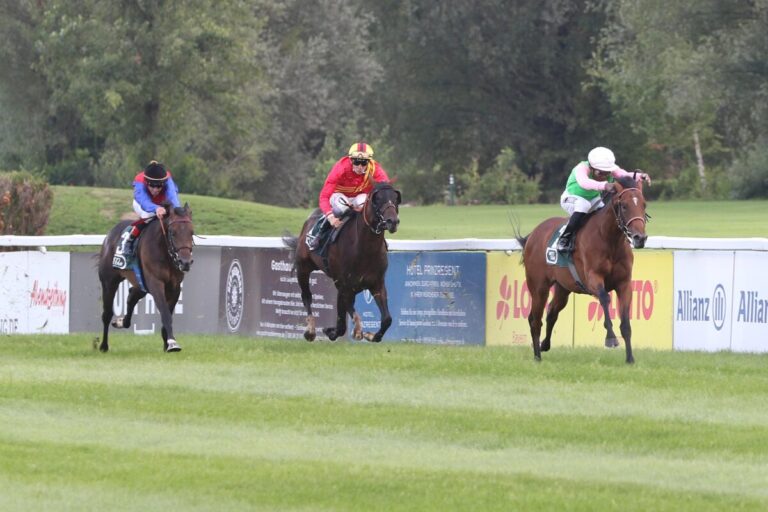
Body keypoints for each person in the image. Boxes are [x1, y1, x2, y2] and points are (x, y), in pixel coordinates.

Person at [557, 146, 651, 253]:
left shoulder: (610, 169)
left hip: (593, 199)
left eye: (607, 173)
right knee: (583, 205)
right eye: (600, 173)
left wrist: (640, 176)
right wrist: (604, 185)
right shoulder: (581, 168)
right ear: (592, 167)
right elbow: (584, 182)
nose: (604, 176)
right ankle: (564, 238)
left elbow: (624, 175)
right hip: (571, 198)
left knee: (604, 213)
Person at [306, 142, 390, 250]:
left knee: (370, 205)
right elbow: (324, 197)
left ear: (369, 162)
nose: (360, 167)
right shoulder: (341, 168)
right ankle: (317, 233)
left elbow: (386, 190)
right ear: (351, 160)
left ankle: (378, 237)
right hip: (339, 196)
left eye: (364, 163)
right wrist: (331, 217)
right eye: (356, 162)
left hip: (359, 197)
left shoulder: (375, 169)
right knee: (341, 208)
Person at [112, 160, 181, 269]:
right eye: (152, 186)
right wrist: (156, 208)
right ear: (146, 182)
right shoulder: (140, 181)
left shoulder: (168, 180)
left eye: (159, 186)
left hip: (162, 202)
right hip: (142, 204)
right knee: (148, 215)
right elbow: (144, 201)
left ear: (164, 183)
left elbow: (173, 199)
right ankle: (128, 242)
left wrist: (177, 211)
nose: (155, 189)